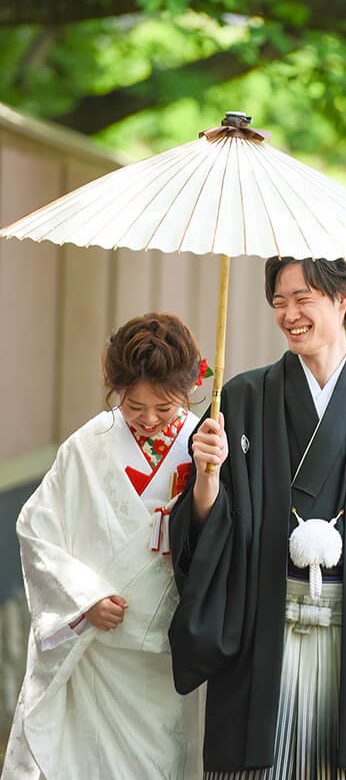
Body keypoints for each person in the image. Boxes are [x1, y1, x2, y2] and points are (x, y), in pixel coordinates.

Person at [170, 257, 346, 780]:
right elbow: (205, 531)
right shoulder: (241, 400)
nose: (289, 313)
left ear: (342, 299)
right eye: (278, 301)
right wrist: (207, 475)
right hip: (259, 625)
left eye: (302, 299)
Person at [2, 312, 206, 780]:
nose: (150, 421)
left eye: (165, 408)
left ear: (189, 389)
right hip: (98, 648)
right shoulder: (88, 445)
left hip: (168, 658)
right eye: (134, 407)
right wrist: (84, 599)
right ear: (115, 389)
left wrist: (209, 476)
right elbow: (36, 529)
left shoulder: (203, 443)